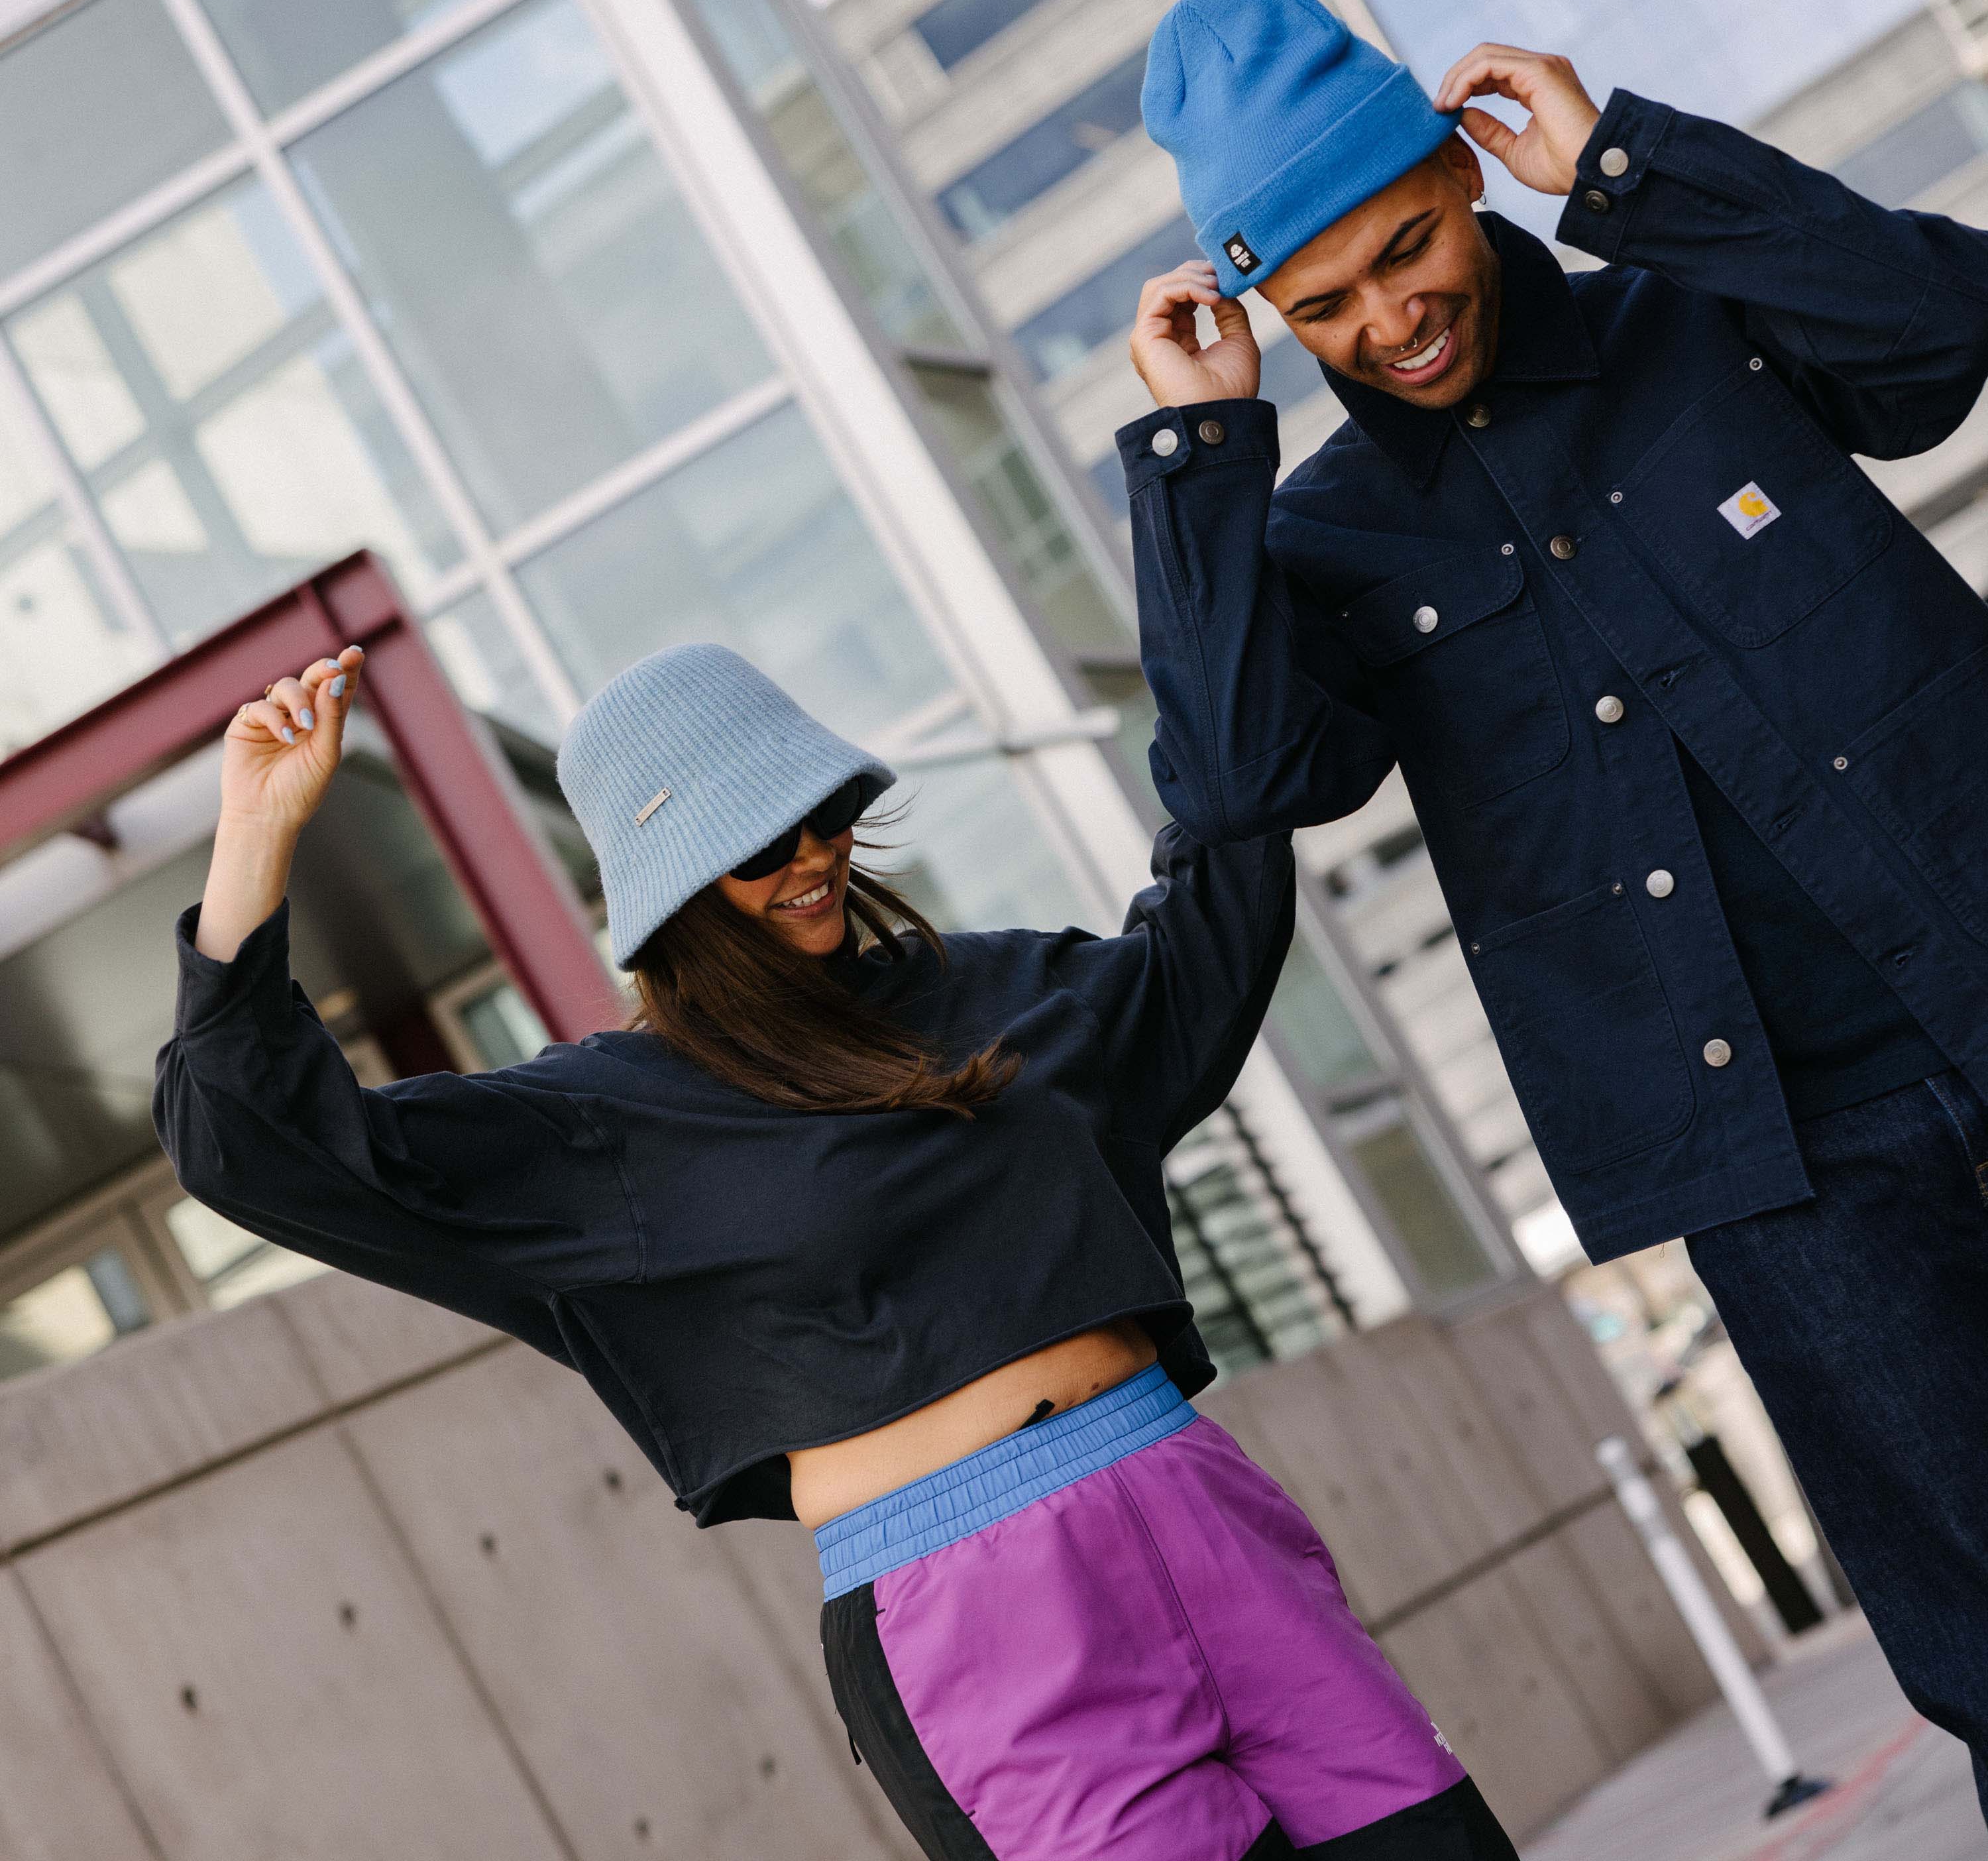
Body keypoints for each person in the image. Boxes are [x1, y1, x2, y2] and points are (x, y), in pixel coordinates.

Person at [154, 638, 1519, 1860]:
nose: (809, 860)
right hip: (975, 1616)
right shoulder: (603, 1120)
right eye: (757, 846)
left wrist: (1196, 472)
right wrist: (253, 841)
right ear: (671, 889)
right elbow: (257, 1150)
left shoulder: (995, 990)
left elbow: (1221, 899)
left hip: (1195, 1508)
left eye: (822, 818)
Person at [1121, 0, 1988, 1817]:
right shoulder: (1324, 539)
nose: (1390, 319)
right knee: (1981, 1624)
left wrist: (1628, 163)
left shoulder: (1695, 318)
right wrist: (1198, 461)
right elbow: (1244, 783)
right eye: (1324, 302)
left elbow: (1940, 334)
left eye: (1409, 247)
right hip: (1789, 1159)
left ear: (1465, 161)